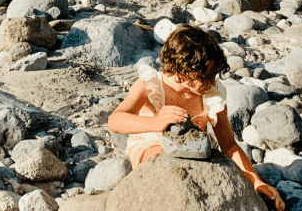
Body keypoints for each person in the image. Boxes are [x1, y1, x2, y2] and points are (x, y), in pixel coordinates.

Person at [107, 24, 284, 211]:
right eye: (205, 76)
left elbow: (229, 144)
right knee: (166, 164)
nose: (211, 83)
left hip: (196, 151)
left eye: (213, 76)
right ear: (182, 70)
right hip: (152, 146)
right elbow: (115, 121)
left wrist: (254, 180)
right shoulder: (151, 85)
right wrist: (155, 122)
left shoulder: (212, 95)